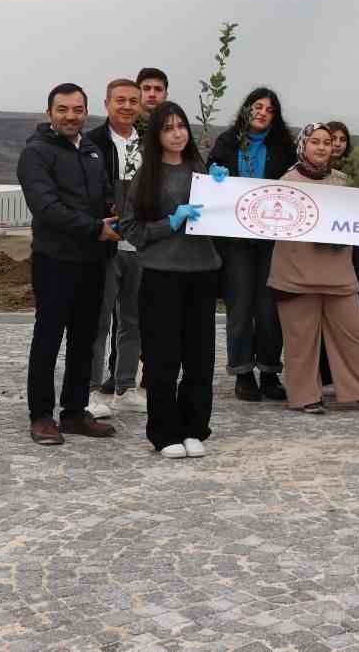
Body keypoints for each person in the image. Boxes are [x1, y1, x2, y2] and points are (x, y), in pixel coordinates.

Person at [18, 83, 120, 445]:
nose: (70, 116)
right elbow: (47, 208)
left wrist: (117, 210)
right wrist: (96, 228)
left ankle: (75, 412)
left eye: (77, 110)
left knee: (84, 339)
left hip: (93, 260)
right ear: (49, 112)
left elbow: (105, 194)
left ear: (86, 112)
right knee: (48, 338)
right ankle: (41, 416)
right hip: (55, 260)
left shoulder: (91, 150)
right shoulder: (36, 153)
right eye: (62, 109)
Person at [119, 101, 222, 458]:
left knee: (199, 356)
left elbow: (224, 215)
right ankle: (164, 432)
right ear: (156, 136)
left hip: (202, 272)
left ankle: (195, 427)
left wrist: (223, 188)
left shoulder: (201, 171)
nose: (177, 134)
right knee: (163, 356)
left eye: (181, 126)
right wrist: (170, 223)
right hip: (161, 275)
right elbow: (131, 229)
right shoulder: (146, 177)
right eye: (168, 128)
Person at [267, 123, 359, 416]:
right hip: (296, 272)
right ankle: (305, 395)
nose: (322, 147)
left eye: (327, 142)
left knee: (352, 334)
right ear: (303, 145)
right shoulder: (286, 182)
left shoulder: (343, 182)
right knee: (301, 339)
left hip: (338, 272)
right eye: (315, 141)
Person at [207, 87, 296, 402]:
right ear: (246, 109)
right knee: (241, 306)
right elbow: (209, 178)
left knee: (270, 308)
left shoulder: (284, 147)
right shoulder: (226, 142)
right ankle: (243, 373)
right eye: (257, 106)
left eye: (269, 110)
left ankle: (270, 372)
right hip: (236, 240)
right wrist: (213, 174)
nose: (262, 113)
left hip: (273, 239)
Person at [85, 79, 146, 418]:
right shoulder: (91, 142)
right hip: (105, 243)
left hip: (141, 245)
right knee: (98, 321)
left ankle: (126, 387)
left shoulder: (150, 143)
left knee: (133, 321)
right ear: (107, 103)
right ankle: (90, 390)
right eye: (120, 100)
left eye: (132, 101)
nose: (126, 106)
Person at [322, 121, 359, 392]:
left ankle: (347, 370)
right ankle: (326, 374)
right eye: (332, 138)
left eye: (342, 139)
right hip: (320, 254)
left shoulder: (356, 174)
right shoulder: (311, 173)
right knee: (323, 314)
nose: (337, 144)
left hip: (350, 251)